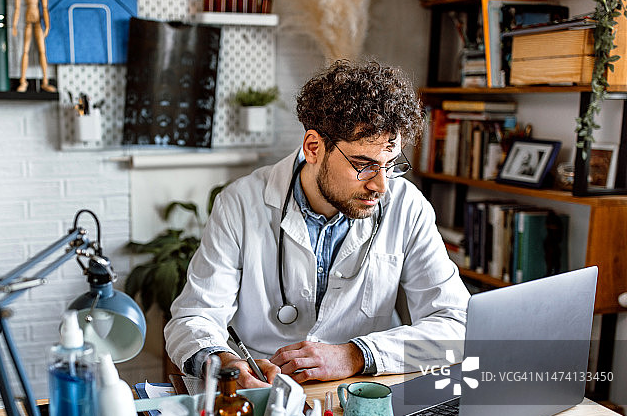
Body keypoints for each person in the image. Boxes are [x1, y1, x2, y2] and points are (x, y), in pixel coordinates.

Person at [165, 60, 470, 388]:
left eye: (391, 165)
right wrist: (229, 366)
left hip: (360, 389)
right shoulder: (240, 204)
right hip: (262, 386)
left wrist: (356, 354)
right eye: (364, 165)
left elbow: (458, 325)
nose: (381, 186)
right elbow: (193, 318)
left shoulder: (407, 207)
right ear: (313, 147)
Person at [12, 0, 56, 93]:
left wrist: (47, 25)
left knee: (42, 51)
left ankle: (45, 81)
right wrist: (14, 25)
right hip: (28, 21)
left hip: (37, 21)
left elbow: (45, 8)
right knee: (25, 50)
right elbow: (16, 8)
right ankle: (23, 81)